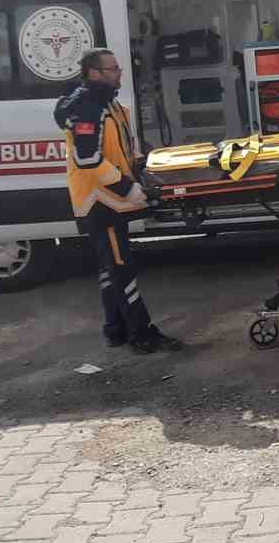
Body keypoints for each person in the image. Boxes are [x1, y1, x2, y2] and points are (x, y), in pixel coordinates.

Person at [54, 48, 183, 354]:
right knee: (122, 267)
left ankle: (115, 329)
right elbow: (88, 158)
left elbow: (121, 147)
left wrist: (143, 169)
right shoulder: (87, 107)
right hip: (101, 202)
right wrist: (127, 187)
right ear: (94, 73)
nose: (119, 74)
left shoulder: (107, 103)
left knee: (110, 267)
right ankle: (141, 333)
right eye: (113, 70)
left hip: (109, 199)